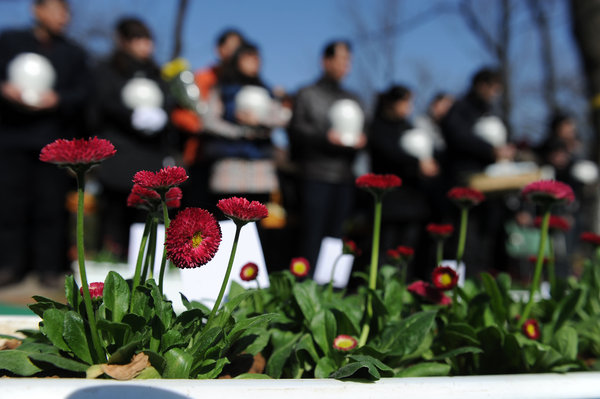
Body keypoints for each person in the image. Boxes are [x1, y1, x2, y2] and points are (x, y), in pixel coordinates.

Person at [0, 0, 90, 287]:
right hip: (11, 137)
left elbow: (84, 94)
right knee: (10, 204)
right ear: (37, 10)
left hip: (52, 141)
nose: (62, 17)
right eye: (55, 9)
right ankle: (10, 264)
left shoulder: (73, 53)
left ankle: (49, 268)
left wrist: (59, 99)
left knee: (51, 206)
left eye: (66, 12)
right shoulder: (10, 42)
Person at [92, 17, 173, 260]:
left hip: (149, 154)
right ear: (124, 41)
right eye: (138, 39)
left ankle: (144, 265)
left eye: (148, 40)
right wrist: (130, 115)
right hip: (118, 153)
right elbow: (102, 104)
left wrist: (162, 116)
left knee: (146, 213)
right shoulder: (107, 70)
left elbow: (169, 103)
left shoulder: (158, 74)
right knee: (115, 213)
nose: (145, 46)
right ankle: (109, 265)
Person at [288, 40, 367, 268]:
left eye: (348, 61)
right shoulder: (307, 94)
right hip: (315, 174)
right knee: (311, 236)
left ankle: (333, 291)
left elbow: (366, 128)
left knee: (338, 238)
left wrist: (362, 139)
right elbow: (297, 130)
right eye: (342, 60)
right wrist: (324, 137)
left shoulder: (354, 99)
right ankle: (304, 288)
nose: (346, 66)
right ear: (326, 61)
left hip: (345, 176)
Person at [440, 67, 516, 276]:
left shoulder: (491, 112)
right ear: (481, 85)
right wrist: (489, 150)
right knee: (465, 237)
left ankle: (480, 280)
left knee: (486, 237)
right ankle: (459, 281)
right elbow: (457, 136)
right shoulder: (461, 108)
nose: (495, 93)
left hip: (491, 185)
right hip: (465, 181)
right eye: (493, 87)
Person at [368, 85, 439, 278]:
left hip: (413, 199)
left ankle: (404, 287)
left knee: (408, 250)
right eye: (406, 102)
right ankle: (381, 284)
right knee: (386, 248)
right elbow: (389, 153)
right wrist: (417, 163)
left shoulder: (409, 127)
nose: (409, 107)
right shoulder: (378, 127)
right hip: (389, 200)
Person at [173, 29, 245, 210]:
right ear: (219, 50)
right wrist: (203, 125)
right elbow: (181, 114)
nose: (234, 54)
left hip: (233, 161)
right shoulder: (203, 78)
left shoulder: (245, 82)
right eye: (230, 48)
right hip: (201, 156)